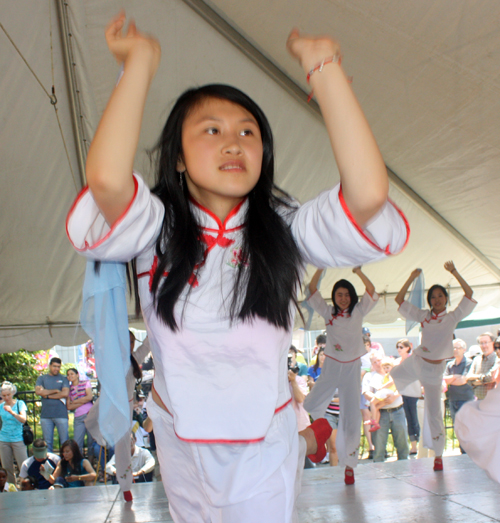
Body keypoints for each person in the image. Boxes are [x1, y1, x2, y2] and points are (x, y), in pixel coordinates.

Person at [65, 12, 408, 521]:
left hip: (263, 443)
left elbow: (367, 194)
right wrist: (138, 65)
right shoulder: (154, 225)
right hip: (182, 441)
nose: (233, 141)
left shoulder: (283, 229)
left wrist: (325, 71)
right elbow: (109, 183)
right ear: (177, 157)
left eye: (248, 132)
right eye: (211, 129)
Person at [392, 261, 476, 472]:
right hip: (417, 360)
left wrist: (454, 272)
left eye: (440, 296)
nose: (437, 299)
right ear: (429, 301)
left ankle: (438, 455)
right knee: (394, 374)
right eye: (433, 297)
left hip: (434, 372)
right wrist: (411, 277)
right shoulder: (424, 316)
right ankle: (405, 397)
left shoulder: (452, 317)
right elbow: (399, 300)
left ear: (446, 298)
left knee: (434, 412)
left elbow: (469, 293)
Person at [303, 266, 379, 485]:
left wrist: (359, 272)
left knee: (351, 416)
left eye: (346, 295)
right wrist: (320, 269)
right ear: (334, 297)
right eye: (339, 295)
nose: (343, 298)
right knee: (311, 402)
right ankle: (319, 432)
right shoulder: (329, 313)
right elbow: (312, 289)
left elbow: (372, 291)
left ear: (351, 296)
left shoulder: (358, 311)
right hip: (333, 365)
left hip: (352, 367)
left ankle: (349, 465)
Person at [86, 332, 150, 500]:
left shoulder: (134, 358)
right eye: (125, 341)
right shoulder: (110, 359)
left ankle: (125, 484)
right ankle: (107, 472)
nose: (129, 345)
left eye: (131, 342)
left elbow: (147, 345)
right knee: (95, 429)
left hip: (125, 407)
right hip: (109, 403)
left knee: (123, 444)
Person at [362, 354, 409, 462]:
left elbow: (404, 386)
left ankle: (404, 468)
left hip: (397, 410)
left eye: (379, 360)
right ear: (372, 364)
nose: (378, 363)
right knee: (378, 446)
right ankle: (378, 472)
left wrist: (394, 397)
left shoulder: (395, 372)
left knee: (402, 444)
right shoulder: (369, 376)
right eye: (374, 362)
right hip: (381, 413)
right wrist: (378, 399)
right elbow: (366, 392)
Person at [35, 357, 69, 452]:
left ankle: (64, 463)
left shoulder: (64, 378)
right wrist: (55, 391)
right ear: (50, 366)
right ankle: (49, 464)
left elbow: (65, 393)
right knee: (47, 442)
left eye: (58, 367)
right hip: (46, 415)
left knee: (65, 442)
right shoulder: (42, 378)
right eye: (54, 366)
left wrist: (47, 395)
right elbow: (38, 391)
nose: (56, 369)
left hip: (61, 414)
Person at [394, 339, 421, 455]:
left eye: (401, 347)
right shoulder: (396, 362)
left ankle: (420, 445)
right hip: (402, 393)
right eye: (398, 347)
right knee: (408, 420)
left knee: (416, 419)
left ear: (407, 348)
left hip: (414, 392)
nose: (399, 349)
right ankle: (413, 446)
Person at [0, 381, 28, 484]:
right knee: (6, 467)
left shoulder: (19, 404)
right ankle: (11, 488)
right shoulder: (1, 406)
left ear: (12, 393)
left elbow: (23, 419)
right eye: (4, 395)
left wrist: (11, 412)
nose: (6, 397)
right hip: (4, 439)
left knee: (23, 465)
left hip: (17, 438)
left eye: (8, 395)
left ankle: (26, 486)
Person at [443, 339, 475, 423]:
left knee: (467, 426)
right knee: (457, 427)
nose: (455, 350)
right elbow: (444, 380)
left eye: (458, 348)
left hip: (466, 400)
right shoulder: (450, 364)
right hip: (452, 400)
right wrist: (456, 376)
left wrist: (451, 379)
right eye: (453, 348)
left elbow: (463, 380)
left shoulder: (469, 363)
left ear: (464, 350)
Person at [66, 368, 94, 456]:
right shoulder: (69, 389)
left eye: (72, 374)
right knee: (77, 443)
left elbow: (89, 397)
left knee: (91, 441)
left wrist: (75, 401)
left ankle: (91, 462)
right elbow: (69, 406)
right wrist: (83, 401)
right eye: (68, 374)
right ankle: (80, 463)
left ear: (77, 375)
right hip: (78, 416)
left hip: (90, 414)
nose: (70, 376)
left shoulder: (85, 383)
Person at [365, 357, 396, 432]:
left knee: (372, 402)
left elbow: (392, 382)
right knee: (376, 407)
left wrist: (382, 387)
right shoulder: (371, 375)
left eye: (388, 367)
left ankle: (373, 421)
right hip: (387, 394)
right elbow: (366, 392)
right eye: (385, 368)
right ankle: (376, 423)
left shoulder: (390, 374)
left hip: (387, 392)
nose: (386, 370)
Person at [467, 333, 499, 399]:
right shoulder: (477, 359)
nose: (484, 345)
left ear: (493, 343)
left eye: (486, 342)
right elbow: (468, 379)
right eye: (481, 343)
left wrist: (475, 381)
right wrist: (483, 379)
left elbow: (491, 377)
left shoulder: (497, 358)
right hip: (479, 400)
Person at [288, 348, 311, 432]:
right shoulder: (275, 380)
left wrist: (293, 380)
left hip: (300, 425)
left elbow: (300, 399)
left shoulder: (299, 380)